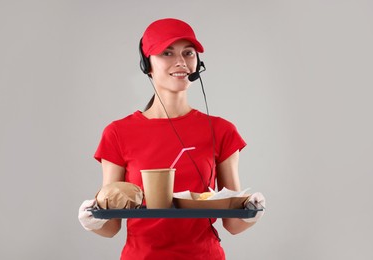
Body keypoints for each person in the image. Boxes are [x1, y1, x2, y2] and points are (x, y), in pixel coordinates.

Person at [78, 18, 265, 260]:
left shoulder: (222, 130)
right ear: (148, 65)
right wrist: (93, 219)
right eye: (167, 53)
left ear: (198, 62)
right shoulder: (117, 133)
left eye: (188, 53)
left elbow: (232, 223)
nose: (180, 62)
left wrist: (252, 212)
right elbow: (112, 225)